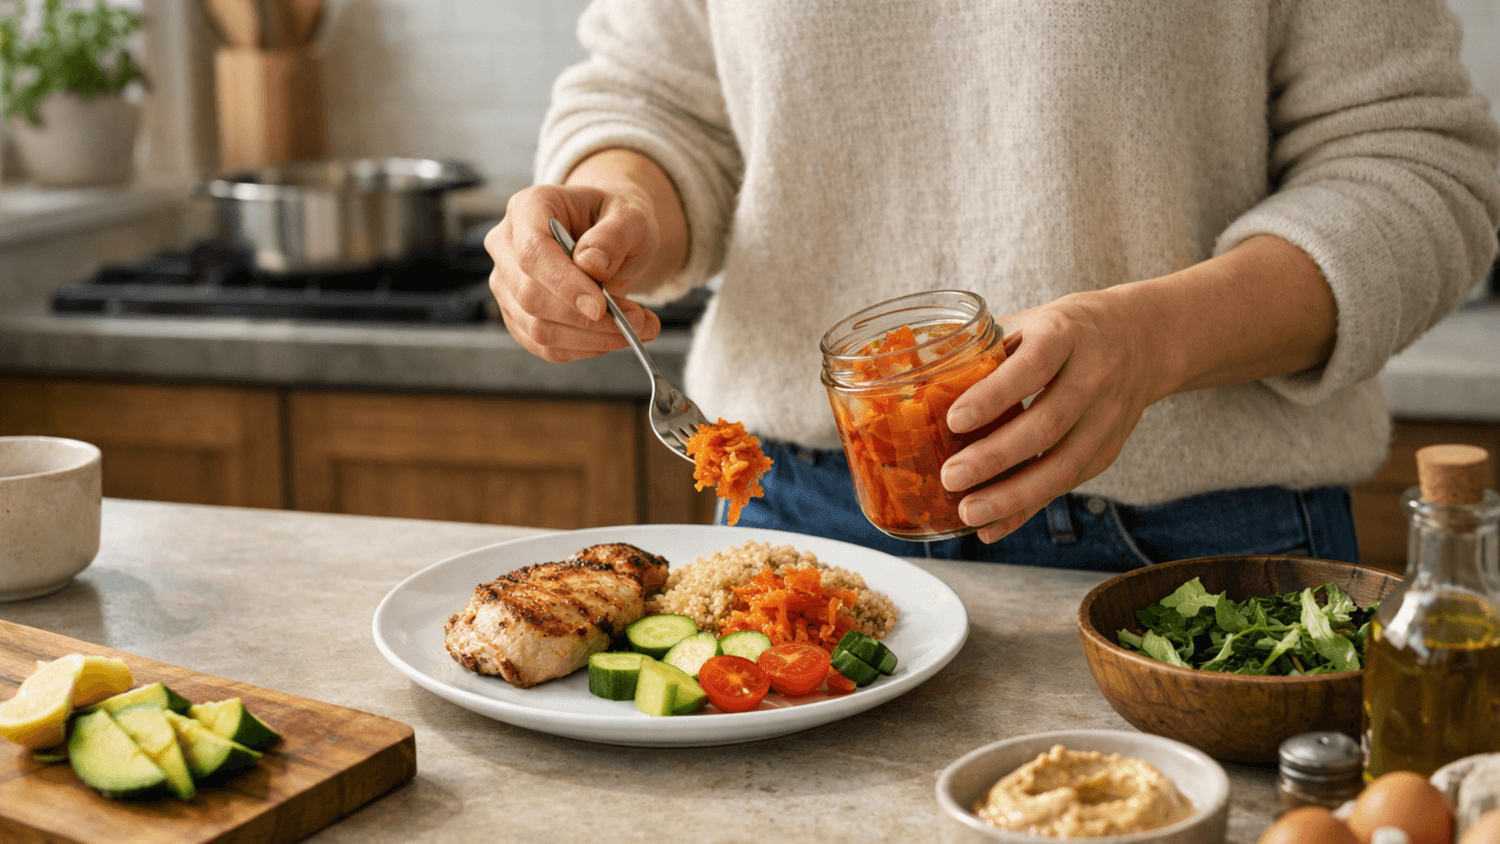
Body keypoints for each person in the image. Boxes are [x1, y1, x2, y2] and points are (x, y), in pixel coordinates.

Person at [486, 0, 1500, 571]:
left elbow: (1414, 166)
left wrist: (1157, 340)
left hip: (1194, 548)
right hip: (798, 524)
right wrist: (616, 202)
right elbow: (657, 97)